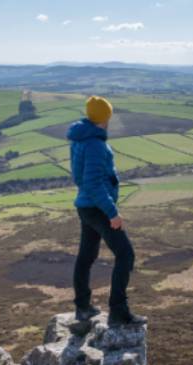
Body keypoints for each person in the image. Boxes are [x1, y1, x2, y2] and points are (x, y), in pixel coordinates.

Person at [66, 96, 147, 326]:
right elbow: (93, 183)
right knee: (126, 254)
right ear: (105, 118)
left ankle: (83, 308)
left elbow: (79, 178)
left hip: (86, 206)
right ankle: (118, 311)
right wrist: (112, 212)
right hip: (98, 208)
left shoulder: (80, 139)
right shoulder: (95, 144)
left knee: (86, 257)